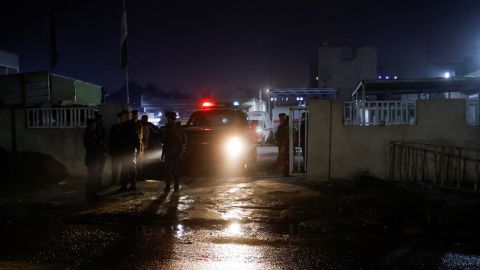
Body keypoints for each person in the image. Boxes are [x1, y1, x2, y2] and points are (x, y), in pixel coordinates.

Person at [160, 111, 186, 193]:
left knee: (172, 169)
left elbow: (183, 140)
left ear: (171, 118)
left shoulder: (176, 128)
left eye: (168, 118)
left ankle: (173, 186)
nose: (168, 120)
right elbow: (163, 140)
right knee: (171, 169)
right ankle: (171, 186)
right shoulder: (174, 128)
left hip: (173, 151)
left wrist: (181, 149)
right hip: (171, 151)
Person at [117, 110, 140, 192]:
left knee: (125, 169)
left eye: (123, 116)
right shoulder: (132, 124)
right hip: (130, 150)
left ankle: (125, 186)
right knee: (130, 168)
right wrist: (138, 149)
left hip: (127, 151)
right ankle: (132, 185)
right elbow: (137, 138)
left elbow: (120, 140)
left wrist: (138, 148)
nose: (122, 118)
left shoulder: (124, 125)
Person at [83, 118, 103, 200]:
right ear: (90, 125)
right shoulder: (88, 134)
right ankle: (90, 195)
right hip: (92, 158)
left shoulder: (91, 133)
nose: (94, 126)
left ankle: (92, 194)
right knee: (92, 177)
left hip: (94, 157)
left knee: (93, 177)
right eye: (93, 124)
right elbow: (92, 146)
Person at [108, 112, 123, 186]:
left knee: (124, 168)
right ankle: (113, 181)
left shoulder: (126, 127)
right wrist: (110, 150)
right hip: (115, 151)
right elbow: (110, 140)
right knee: (114, 167)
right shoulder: (114, 127)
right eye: (120, 118)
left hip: (122, 151)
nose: (120, 119)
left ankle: (121, 182)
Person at [94, 114, 107, 189]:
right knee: (96, 169)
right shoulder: (94, 129)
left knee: (101, 168)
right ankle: (96, 184)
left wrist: (105, 150)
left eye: (102, 120)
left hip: (102, 152)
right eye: (100, 120)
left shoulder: (102, 129)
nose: (102, 121)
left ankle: (99, 183)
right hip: (97, 153)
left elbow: (104, 140)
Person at [137, 114, 151, 180]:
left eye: (146, 119)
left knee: (143, 163)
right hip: (141, 148)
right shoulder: (140, 126)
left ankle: (141, 175)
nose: (146, 120)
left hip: (145, 147)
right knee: (140, 162)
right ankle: (139, 176)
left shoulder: (147, 126)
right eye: (145, 119)